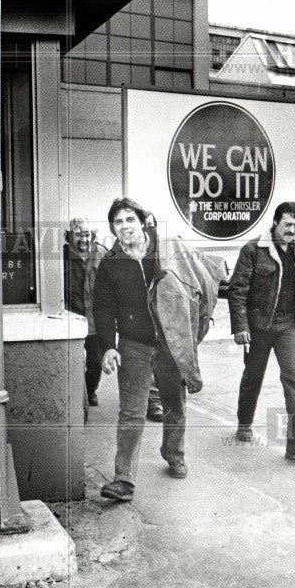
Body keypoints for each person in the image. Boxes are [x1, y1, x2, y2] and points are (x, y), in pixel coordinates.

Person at [93, 198, 222, 501]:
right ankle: (123, 480)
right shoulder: (110, 263)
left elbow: (204, 284)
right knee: (131, 412)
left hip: (169, 342)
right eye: (118, 222)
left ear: (142, 221)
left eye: (129, 220)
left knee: (174, 404)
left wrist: (194, 332)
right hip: (133, 344)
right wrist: (108, 349)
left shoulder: (167, 251)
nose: (124, 226)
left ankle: (174, 453)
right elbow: (102, 307)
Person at [227, 201, 295, 466]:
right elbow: (238, 290)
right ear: (276, 222)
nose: (293, 230)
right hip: (258, 326)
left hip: (288, 325)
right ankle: (244, 422)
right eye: (288, 224)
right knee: (253, 375)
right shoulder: (254, 249)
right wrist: (241, 327)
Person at [64, 217, 106, 408]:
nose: (84, 239)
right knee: (71, 363)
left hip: (96, 322)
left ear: (93, 235)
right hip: (71, 319)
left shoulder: (103, 254)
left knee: (96, 363)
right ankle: (76, 398)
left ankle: (90, 391)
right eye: (79, 234)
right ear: (69, 236)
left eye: (87, 234)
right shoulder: (61, 258)